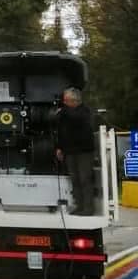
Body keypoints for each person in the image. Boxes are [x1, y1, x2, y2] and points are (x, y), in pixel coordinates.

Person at [55, 87, 95, 216]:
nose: (64, 103)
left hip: (83, 151)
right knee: (75, 179)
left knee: (84, 179)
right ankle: (80, 206)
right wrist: (60, 147)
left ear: (75, 101)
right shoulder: (65, 114)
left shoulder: (84, 111)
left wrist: (63, 111)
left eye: (66, 100)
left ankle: (88, 208)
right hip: (70, 151)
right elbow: (61, 131)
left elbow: (76, 118)